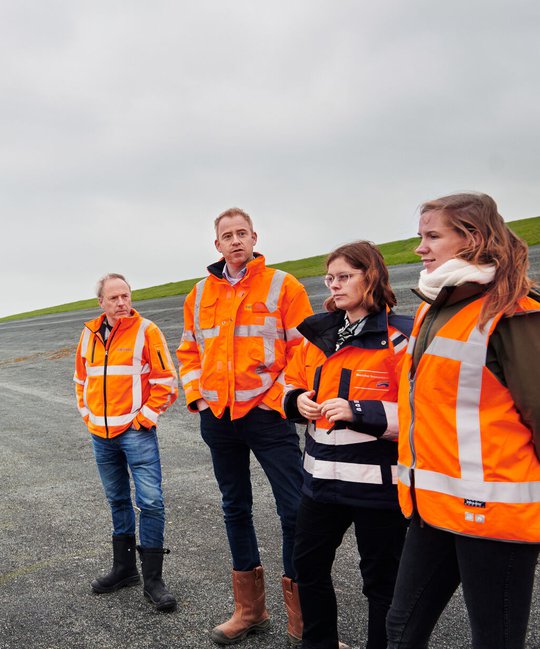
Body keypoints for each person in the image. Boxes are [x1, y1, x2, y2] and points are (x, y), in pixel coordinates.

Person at [386, 192, 540, 649]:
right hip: (432, 509)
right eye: (420, 236)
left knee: (494, 641)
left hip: (496, 517)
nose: (420, 248)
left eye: (433, 236)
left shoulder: (515, 312)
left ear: (472, 239)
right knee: (401, 630)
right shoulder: (431, 308)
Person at [176, 207, 313, 645]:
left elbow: (303, 351)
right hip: (219, 419)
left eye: (241, 233)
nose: (235, 241)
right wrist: (198, 395)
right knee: (235, 508)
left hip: (268, 417)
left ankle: (303, 619)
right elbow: (189, 351)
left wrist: (278, 400)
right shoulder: (198, 294)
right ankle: (249, 610)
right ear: (216, 245)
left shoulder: (283, 286)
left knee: (294, 510)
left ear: (254, 238)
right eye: (226, 235)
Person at [283, 241, 412, 649]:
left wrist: (360, 410)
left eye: (344, 277)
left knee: (382, 584)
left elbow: (418, 413)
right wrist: (295, 400)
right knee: (307, 570)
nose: (334, 285)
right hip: (319, 485)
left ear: (370, 276)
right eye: (330, 278)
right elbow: (288, 382)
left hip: (379, 490)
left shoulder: (400, 340)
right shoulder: (316, 337)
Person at [74, 273, 178, 611]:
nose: (122, 303)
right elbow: (80, 379)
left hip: (136, 432)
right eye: (114, 298)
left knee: (150, 503)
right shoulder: (88, 334)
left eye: (126, 296)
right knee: (117, 499)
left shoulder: (147, 331)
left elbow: (166, 382)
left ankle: (153, 580)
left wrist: (144, 419)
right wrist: (88, 414)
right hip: (100, 435)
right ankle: (124, 570)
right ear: (101, 302)